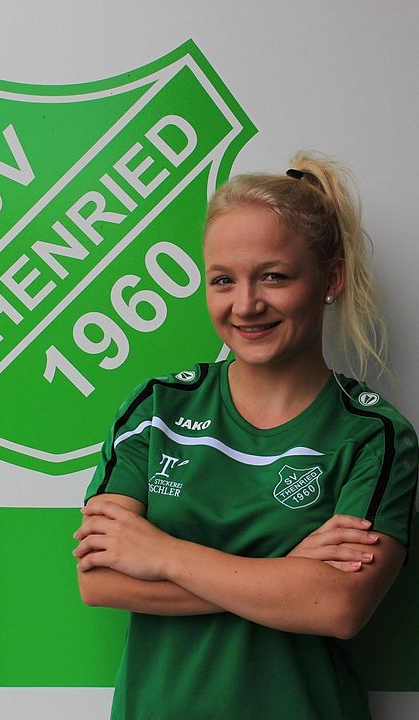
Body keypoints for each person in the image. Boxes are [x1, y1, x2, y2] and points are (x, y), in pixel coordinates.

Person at [74, 152, 418, 720]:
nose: (246, 304)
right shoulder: (157, 408)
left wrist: (161, 553)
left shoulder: (373, 435)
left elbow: (337, 606)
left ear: (330, 280)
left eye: (274, 276)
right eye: (223, 280)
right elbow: (101, 580)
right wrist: (289, 575)